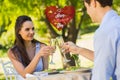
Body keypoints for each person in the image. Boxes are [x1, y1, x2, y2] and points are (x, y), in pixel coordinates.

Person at [62, 0, 120, 80]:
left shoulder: (105, 31)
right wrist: (78, 50)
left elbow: (101, 75)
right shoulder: (116, 23)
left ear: (93, 3)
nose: (88, 12)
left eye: (86, 7)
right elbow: (108, 58)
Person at [7, 15, 54, 79]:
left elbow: (45, 72)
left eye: (33, 29)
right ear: (19, 31)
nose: (32, 32)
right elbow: (24, 75)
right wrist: (38, 55)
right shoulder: (13, 52)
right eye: (27, 29)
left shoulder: (42, 47)